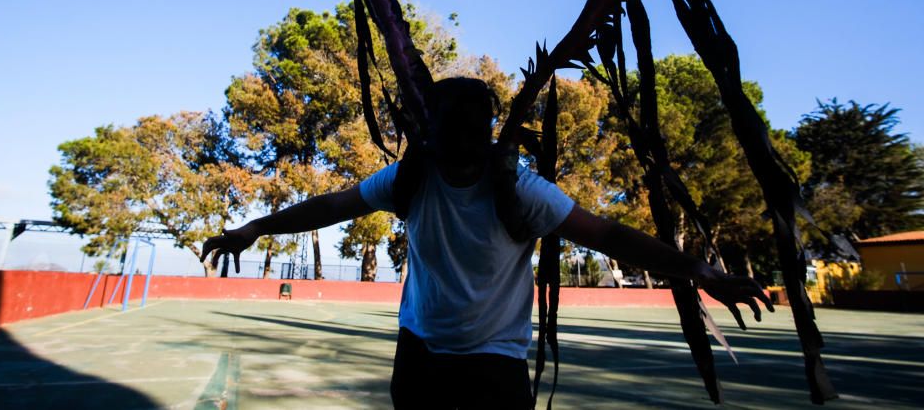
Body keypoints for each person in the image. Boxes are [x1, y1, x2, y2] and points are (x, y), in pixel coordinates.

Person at [200, 77, 772, 409]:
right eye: (452, 123)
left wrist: (702, 270)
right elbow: (330, 205)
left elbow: (609, 235)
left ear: (488, 131)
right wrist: (257, 226)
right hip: (420, 356)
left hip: (494, 366)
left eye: (477, 125)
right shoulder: (410, 179)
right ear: (434, 128)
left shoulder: (520, 191)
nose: (465, 134)